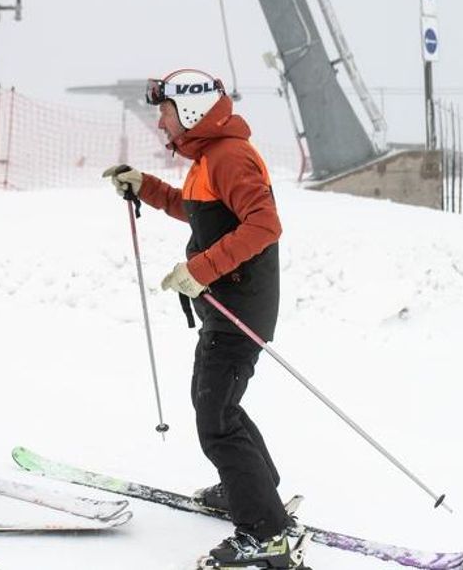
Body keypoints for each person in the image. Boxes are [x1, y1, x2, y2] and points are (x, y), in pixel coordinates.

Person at [103, 69, 304, 569]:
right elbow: (193, 212)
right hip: (224, 301)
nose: (160, 121)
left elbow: (265, 224)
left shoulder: (230, 156)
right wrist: (144, 186)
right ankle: (256, 488)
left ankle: (267, 532)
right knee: (217, 404)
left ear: (190, 110)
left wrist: (199, 269)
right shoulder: (207, 158)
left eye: (165, 111)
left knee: (215, 417)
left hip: (239, 305)